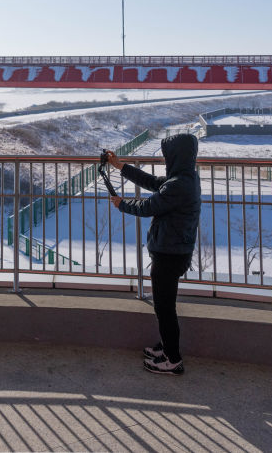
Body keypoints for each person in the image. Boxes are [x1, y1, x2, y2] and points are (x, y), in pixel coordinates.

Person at [104, 133, 201, 375]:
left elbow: (149, 206)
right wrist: (121, 167)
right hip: (175, 251)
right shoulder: (186, 178)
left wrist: (122, 204)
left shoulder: (178, 185)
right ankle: (167, 347)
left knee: (164, 308)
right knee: (165, 306)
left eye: (168, 155)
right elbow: (152, 182)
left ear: (176, 156)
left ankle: (172, 359)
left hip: (169, 254)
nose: (165, 160)